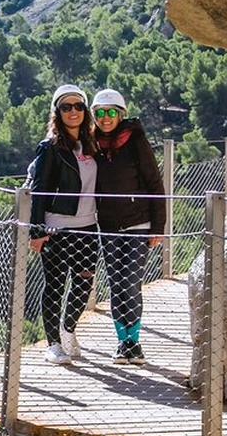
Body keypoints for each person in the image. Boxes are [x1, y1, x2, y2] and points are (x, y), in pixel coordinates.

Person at [92, 88, 165, 365]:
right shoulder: (91, 144)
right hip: (108, 225)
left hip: (139, 223)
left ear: (121, 114)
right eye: (100, 113)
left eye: (111, 112)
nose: (106, 118)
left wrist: (158, 226)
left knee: (131, 282)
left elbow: (155, 183)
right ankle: (122, 342)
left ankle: (135, 340)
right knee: (115, 283)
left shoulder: (135, 140)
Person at [28, 84, 99, 365]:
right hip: (56, 227)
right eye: (66, 107)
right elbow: (40, 189)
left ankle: (67, 329)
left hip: (88, 226)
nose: (73, 112)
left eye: (79, 106)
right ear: (57, 112)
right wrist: (36, 230)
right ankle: (54, 345)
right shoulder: (50, 147)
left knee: (84, 283)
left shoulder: (93, 144)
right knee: (55, 285)